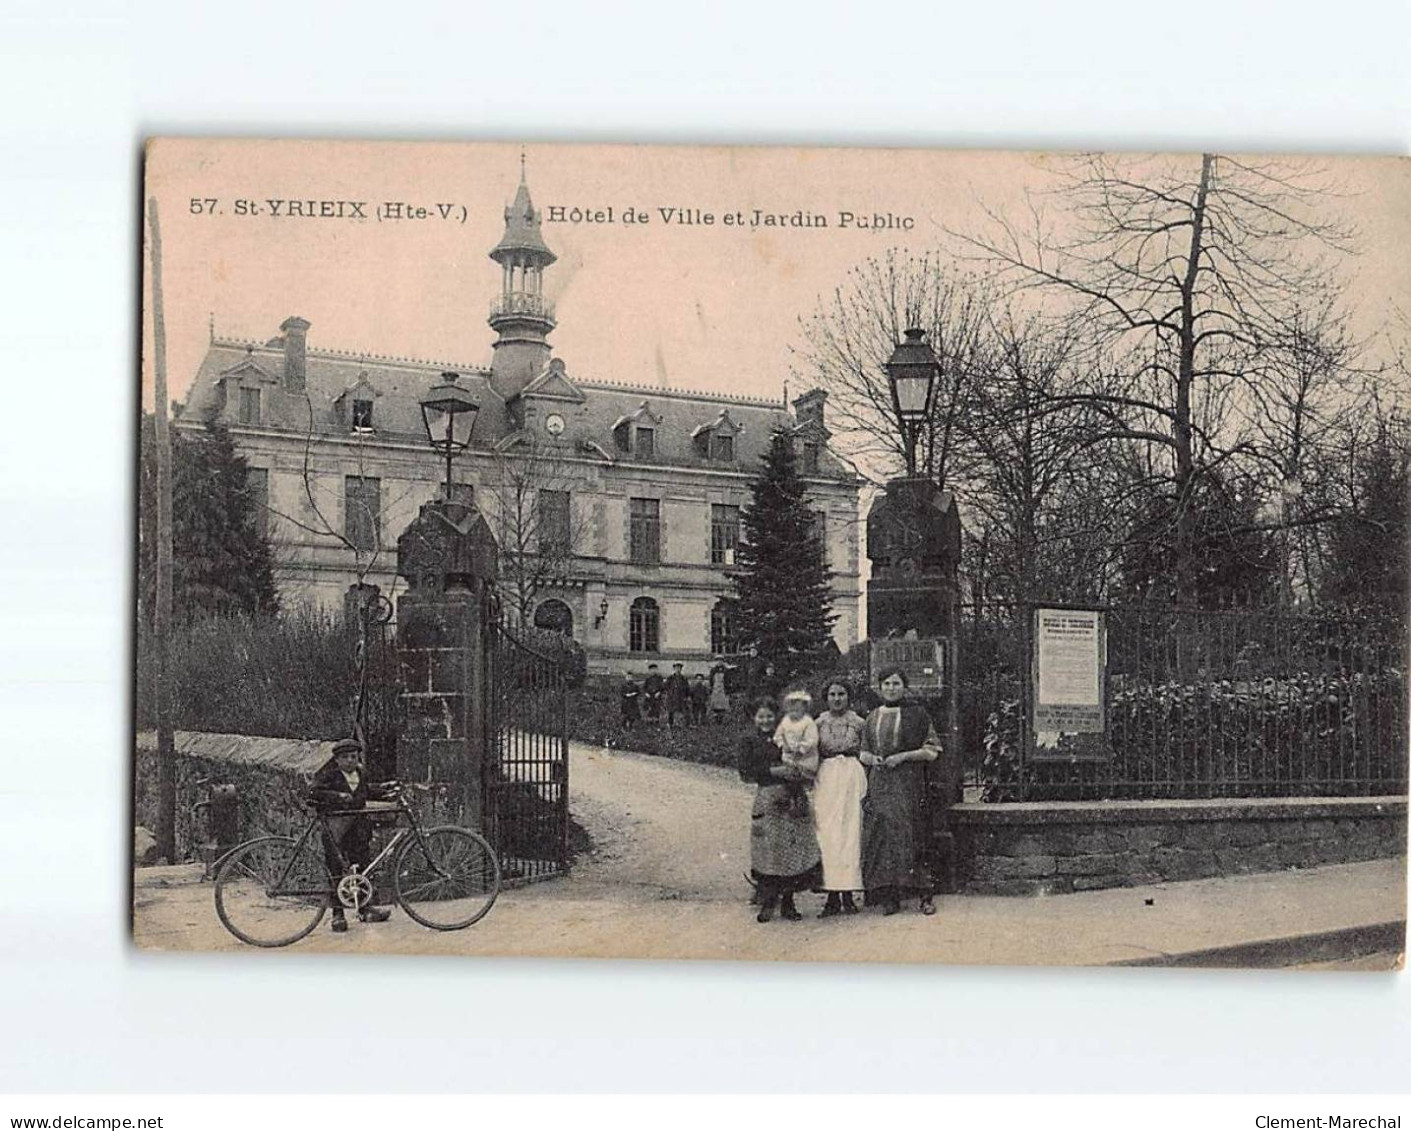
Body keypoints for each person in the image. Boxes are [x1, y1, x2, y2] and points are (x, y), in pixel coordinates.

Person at [860, 668, 941, 917]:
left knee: (912, 833)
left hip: (908, 783)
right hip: (880, 782)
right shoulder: (872, 716)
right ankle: (889, 896)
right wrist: (873, 758)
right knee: (882, 836)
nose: (891, 688)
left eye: (896, 683)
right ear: (880, 687)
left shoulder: (918, 714)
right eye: (887, 684)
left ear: (904, 687)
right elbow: (862, 752)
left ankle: (925, 895)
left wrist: (903, 757)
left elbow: (932, 750)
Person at [738, 698, 821, 923]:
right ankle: (767, 902)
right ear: (754, 718)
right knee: (768, 850)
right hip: (767, 795)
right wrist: (775, 771)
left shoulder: (787, 735)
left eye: (769, 716)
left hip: (793, 794)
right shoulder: (749, 741)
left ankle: (788, 903)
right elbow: (745, 771)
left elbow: (804, 758)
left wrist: (797, 777)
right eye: (760, 716)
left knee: (792, 851)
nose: (765, 720)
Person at [307, 737, 396, 933]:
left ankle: (365, 909)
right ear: (337, 760)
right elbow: (313, 793)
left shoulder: (361, 773)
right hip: (336, 829)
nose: (350, 761)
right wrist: (337, 796)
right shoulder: (329, 775)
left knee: (362, 867)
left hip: (358, 828)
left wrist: (384, 790)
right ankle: (337, 915)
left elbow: (365, 792)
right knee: (336, 870)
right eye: (345, 757)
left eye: (353, 757)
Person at [813, 680, 867, 917]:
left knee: (850, 832)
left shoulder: (859, 722)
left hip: (851, 775)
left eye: (842, 694)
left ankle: (848, 894)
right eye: (832, 694)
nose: (837, 698)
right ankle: (831, 896)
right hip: (827, 778)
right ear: (826, 698)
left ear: (849, 696)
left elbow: (866, 750)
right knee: (828, 833)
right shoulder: (818, 723)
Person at [773, 688, 820, 820]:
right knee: (787, 779)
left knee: (795, 780)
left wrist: (800, 749)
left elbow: (812, 740)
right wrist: (783, 744)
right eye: (791, 709)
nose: (794, 713)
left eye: (798, 710)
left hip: (804, 759)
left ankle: (800, 804)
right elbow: (778, 735)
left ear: (805, 709)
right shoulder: (785, 721)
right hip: (788, 757)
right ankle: (791, 801)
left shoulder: (808, 722)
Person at [664, 662, 691, 728]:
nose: (678, 669)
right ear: (674, 669)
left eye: (679, 668)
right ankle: (670, 724)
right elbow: (665, 687)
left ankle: (681, 723)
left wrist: (687, 696)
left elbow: (687, 688)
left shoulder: (684, 679)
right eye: (676, 668)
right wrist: (669, 694)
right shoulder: (670, 678)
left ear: (681, 669)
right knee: (671, 711)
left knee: (682, 710)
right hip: (672, 697)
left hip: (681, 697)